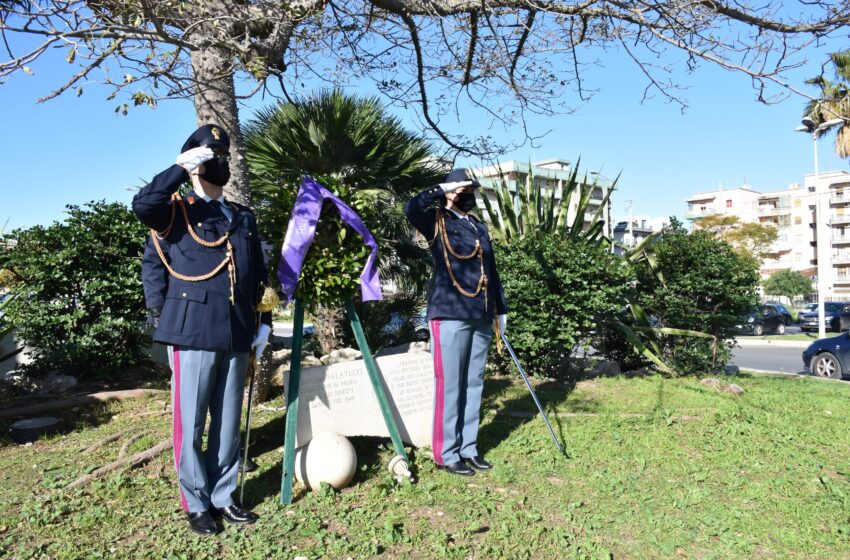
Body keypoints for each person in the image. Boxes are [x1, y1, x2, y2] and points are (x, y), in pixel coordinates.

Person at [133, 124, 272, 535]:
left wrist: (262, 324)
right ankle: (195, 503)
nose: (220, 163)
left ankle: (224, 496)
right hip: (191, 330)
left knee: (228, 421)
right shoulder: (175, 210)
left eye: (223, 156)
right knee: (190, 423)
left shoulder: (243, 217)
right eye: (211, 156)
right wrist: (180, 167)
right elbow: (143, 205)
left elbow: (256, 276)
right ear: (195, 163)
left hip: (236, 329)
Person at [404, 168, 508, 476]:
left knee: (474, 383)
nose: (470, 195)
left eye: (472, 189)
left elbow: (492, 269)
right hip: (449, 313)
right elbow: (410, 208)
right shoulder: (435, 221)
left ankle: (469, 448)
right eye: (464, 190)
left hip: (480, 312)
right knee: (449, 386)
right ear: (450, 191)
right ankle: (447, 453)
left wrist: (500, 311)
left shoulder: (477, 226)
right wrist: (440, 189)